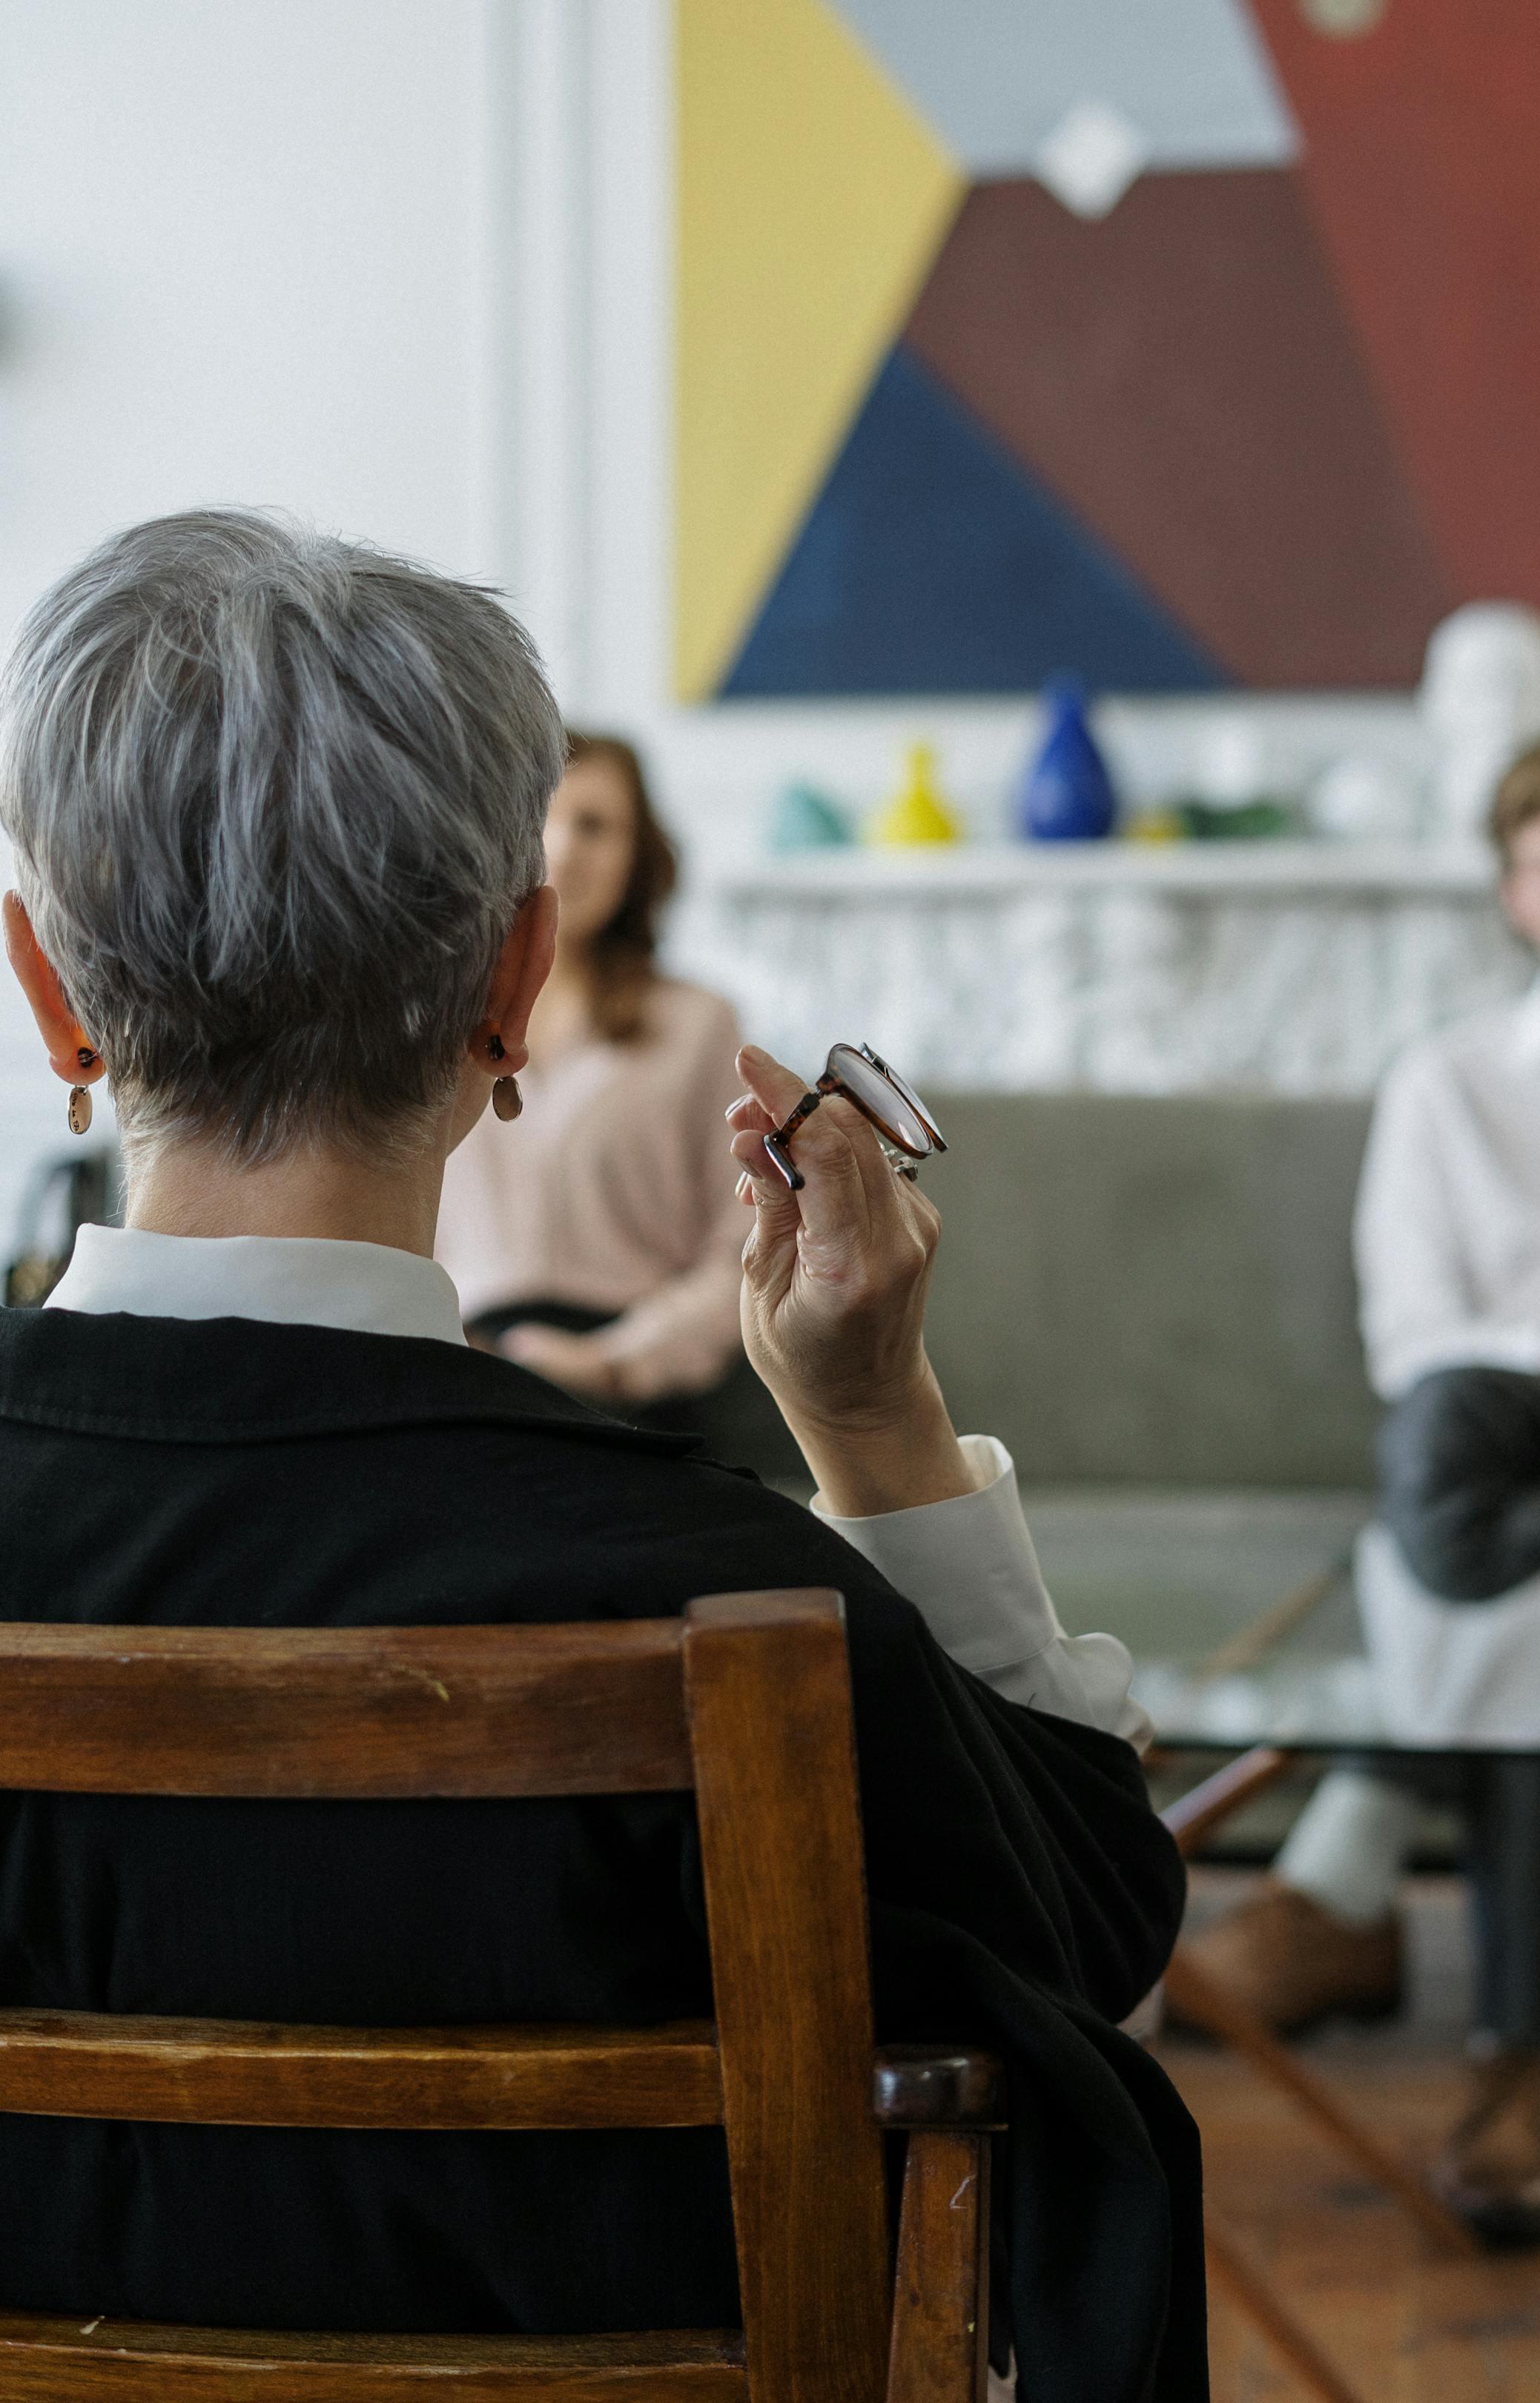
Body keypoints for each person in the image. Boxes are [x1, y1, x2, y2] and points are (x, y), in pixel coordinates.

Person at [0, 512, 1203, 2402]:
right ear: (516, 983)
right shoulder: (717, 1593)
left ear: (47, 993)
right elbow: (1092, 1933)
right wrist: (871, 1420)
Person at [1187, 725, 1540, 2243]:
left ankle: (1338, 1883)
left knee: (1465, 1548)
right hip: (1498, 1438)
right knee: (1456, 1458)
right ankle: (1524, 2055)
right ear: (1513, 893)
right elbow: (1410, 1340)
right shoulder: (1449, 1083)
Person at [435, 734, 784, 1467]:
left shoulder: (700, 1025)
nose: (561, 848)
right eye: (540, 819)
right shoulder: (434, 1024)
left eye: (595, 824)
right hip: (459, 1379)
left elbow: (746, 1252)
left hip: (637, 1393)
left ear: (637, 855)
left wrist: (618, 1363)